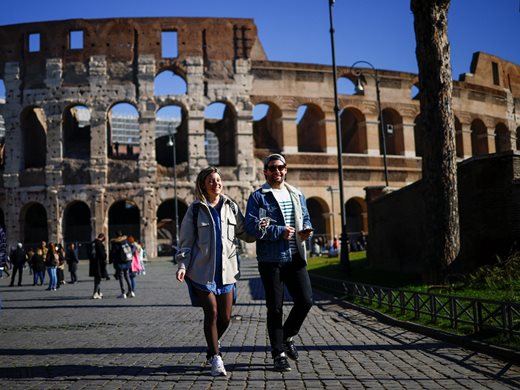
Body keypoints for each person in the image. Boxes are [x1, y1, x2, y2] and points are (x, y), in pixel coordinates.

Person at [175, 166, 256, 377]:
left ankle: (212, 347)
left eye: (218, 180)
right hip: (202, 271)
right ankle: (217, 359)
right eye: (211, 180)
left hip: (226, 271)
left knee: (226, 317)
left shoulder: (231, 206)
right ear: (203, 184)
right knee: (211, 312)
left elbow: (244, 233)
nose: (216, 183)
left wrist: (261, 229)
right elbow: (186, 242)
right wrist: (182, 265)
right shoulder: (194, 210)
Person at [245, 153, 314, 372]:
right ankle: (278, 354)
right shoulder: (258, 197)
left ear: (286, 169)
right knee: (275, 308)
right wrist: (278, 231)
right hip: (271, 260)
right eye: (272, 168)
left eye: (281, 167)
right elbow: (252, 227)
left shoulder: (297, 193)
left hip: (295, 257)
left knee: (305, 301)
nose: (277, 171)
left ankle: (285, 337)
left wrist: (307, 230)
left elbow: (306, 217)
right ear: (265, 171)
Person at [110, 231, 134, 299]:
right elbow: (132, 248)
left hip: (119, 262)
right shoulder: (126, 241)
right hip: (127, 261)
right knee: (127, 276)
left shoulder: (115, 243)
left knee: (121, 277)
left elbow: (113, 253)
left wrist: (111, 260)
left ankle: (123, 293)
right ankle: (131, 291)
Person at [89, 233, 108, 299]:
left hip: (93, 263)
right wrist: (105, 255)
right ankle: (95, 293)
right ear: (102, 238)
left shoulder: (92, 243)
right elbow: (102, 255)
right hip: (99, 263)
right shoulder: (99, 244)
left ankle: (98, 292)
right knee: (98, 278)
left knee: (97, 277)